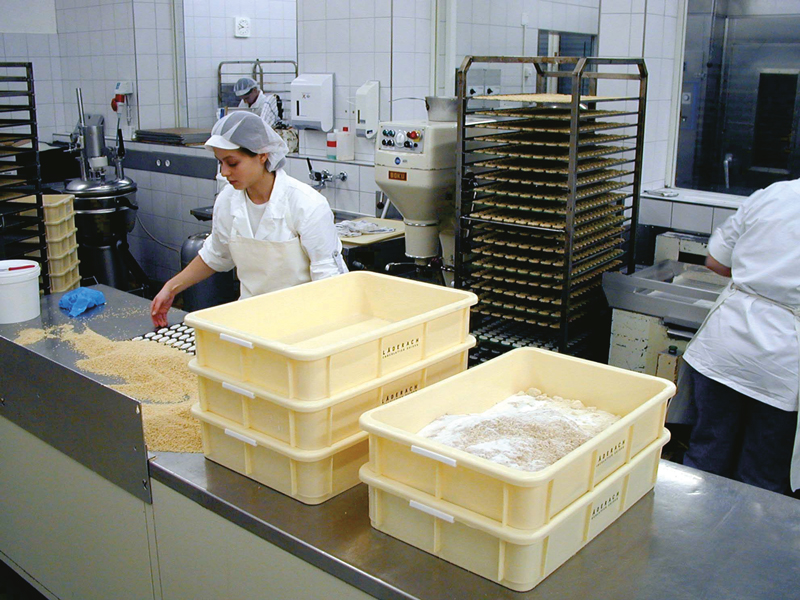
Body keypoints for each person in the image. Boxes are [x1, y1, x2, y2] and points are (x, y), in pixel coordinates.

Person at [150, 111, 347, 327]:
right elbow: (216, 254)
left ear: (262, 155)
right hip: (250, 321)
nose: (224, 172)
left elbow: (330, 281)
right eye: (220, 163)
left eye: (232, 163)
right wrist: (172, 287)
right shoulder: (227, 199)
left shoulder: (306, 204)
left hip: (302, 325)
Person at [677, 177, 800, 496]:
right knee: (760, 476)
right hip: (781, 365)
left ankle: (687, 539)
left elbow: (716, 261)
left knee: (706, 457)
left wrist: (756, 278)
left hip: (725, 347)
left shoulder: (775, 193)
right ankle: (744, 545)